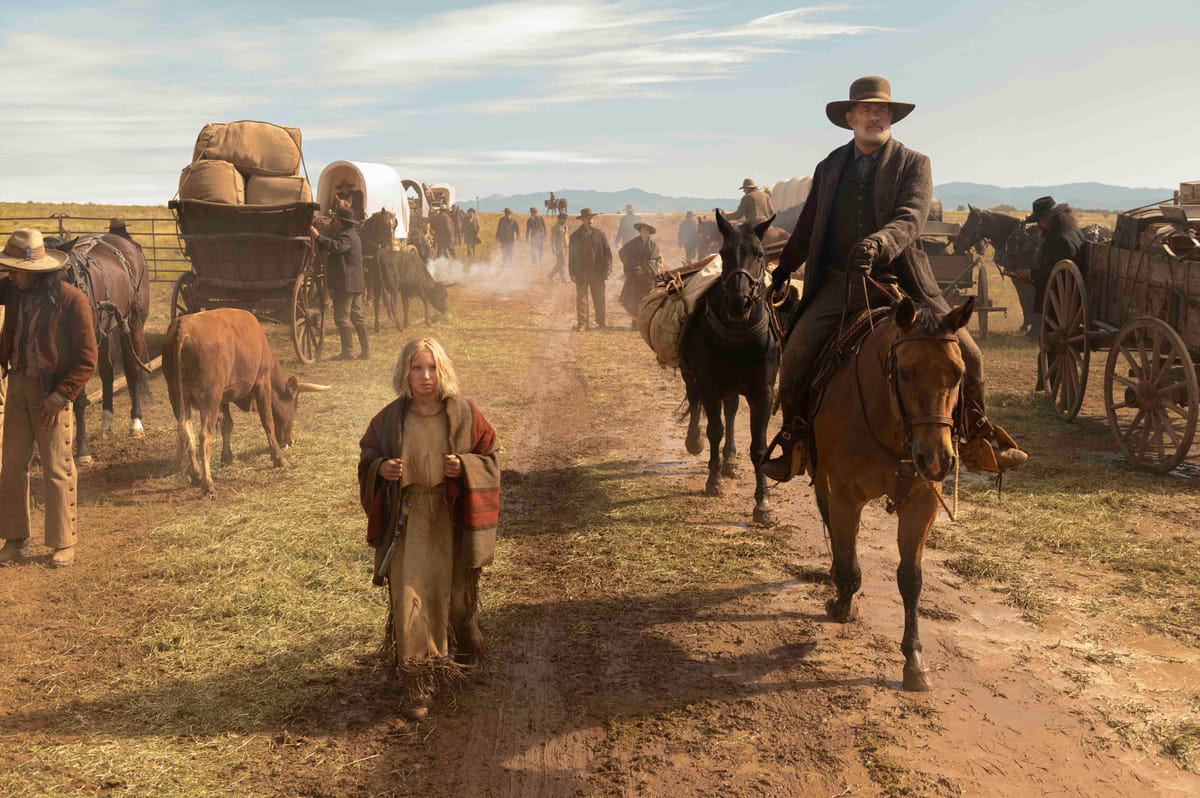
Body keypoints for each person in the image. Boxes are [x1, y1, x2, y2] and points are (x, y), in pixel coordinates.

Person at [762, 76, 1027, 482]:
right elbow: (809, 224)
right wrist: (784, 268)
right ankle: (795, 438)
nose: (875, 116)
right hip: (837, 284)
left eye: (882, 110)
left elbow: (910, 218)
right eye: (867, 110)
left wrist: (878, 244)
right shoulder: (829, 166)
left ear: (891, 117)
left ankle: (977, 437)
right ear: (850, 117)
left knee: (969, 354)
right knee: (796, 352)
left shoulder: (914, 163)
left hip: (900, 282)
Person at [358, 338, 500, 719]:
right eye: (417, 368)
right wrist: (381, 469)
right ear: (405, 372)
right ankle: (419, 683)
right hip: (408, 520)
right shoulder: (390, 419)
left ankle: (463, 647)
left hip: (450, 517)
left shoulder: (464, 414)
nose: (425, 376)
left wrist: (465, 466)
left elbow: (490, 455)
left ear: (443, 371)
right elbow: (368, 456)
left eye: (432, 368)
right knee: (410, 599)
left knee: (454, 597)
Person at [0, 229, 98, 568]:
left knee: (57, 468)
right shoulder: (14, 292)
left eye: (16, 270)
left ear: (37, 271)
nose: (10, 275)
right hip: (17, 386)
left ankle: (63, 541)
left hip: (51, 394)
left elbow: (87, 358)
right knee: (12, 466)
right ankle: (15, 538)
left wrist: (62, 395)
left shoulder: (72, 300)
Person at [1011, 196, 1084, 336]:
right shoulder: (1074, 231)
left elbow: (1059, 272)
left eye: (1041, 220)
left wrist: (1031, 275)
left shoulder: (1059, 239)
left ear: (1051, 218)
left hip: (1063, 299)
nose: (1038, 224)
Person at [311, 206, 368, 360]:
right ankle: (365, 351)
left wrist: (318, 237)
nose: (334, 222)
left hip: (346, 284)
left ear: (340, 221)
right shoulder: (353, 236)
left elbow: (336, 246)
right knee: (357, 316)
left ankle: (347, 352)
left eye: (335, 219)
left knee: (342, 317)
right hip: (356, 283)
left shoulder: (346, 237)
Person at [568, 208, 613, 331]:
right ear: (582, 220)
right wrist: (571, 272)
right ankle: (583, 324)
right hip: (581, 271)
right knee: (581, 299)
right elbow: (572, 256)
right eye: (587, 218)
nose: (590, 220)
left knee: (599, 298)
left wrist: (608, 267)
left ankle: (601, 323)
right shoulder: (574, 237)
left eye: (591, 218)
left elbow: (607, 252)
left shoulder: (600, 234)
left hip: (597, 271)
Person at [618, 222, 662, 324]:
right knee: (635, 299)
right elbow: (622, 253)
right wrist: (634, 265)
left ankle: (646, 322)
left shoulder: (654, 246)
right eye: (643, 230)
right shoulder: (632, 243)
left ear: (649, 232)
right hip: (636, 276)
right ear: (640, 231)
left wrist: (653, 268)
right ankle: (635, 323)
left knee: (648, 299)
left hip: (649, 277)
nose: (644, 232)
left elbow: (657, 260)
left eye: (647, 230)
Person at [548, 213, 569, 282]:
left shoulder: (565, 226)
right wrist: (553, 248)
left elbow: (566, 236)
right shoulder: (555, 227)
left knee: (561, 263)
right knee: (562, 263)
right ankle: (562, 278)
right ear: (560, 219)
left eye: (566, 219)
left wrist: (567, 246)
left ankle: (551, 274)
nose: (565, 220)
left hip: (564, 247)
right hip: (558, 247)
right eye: (564, 219)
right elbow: (553, 238)